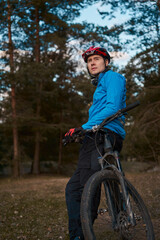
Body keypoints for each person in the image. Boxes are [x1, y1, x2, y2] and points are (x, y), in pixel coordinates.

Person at [64, 46, 126, 240]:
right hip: (93, 137)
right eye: (89, 61)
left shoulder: (113, 77)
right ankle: (77, 234)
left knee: (88, 184)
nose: (92, 63)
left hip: (106, 135)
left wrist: (83, 127)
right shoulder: (99, 87)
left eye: (97, 59)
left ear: (106, 62)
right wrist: (80, 132)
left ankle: (82, 234)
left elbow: (113, 106)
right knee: (73, 188)